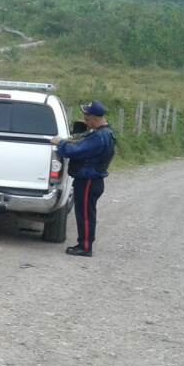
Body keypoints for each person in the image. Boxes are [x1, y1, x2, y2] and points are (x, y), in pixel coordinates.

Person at [50, 100, 116, 257]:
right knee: (86, 212)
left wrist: (61, 144)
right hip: (91, 180)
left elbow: (75, 151)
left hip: (88, 181)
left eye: (87, 118)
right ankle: (84, 243)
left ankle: (85, 247)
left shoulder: (99, 137)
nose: (85, 121)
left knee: (85, 214)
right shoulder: (105, 133)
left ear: (95, 118)